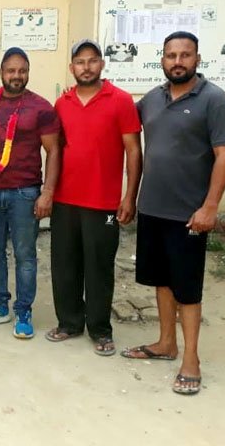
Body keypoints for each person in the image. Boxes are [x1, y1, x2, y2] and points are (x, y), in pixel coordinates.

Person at [120, 31, 225, 396]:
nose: (178, 61)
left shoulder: (215, 100)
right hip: (152, 208)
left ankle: (191, 359)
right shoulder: (152, 99)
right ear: (162, 60)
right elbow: (120, 118)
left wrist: (210, 206)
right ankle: (166, 343)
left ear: (197, 59)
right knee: (162, 280)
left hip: (189, 214)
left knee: (187, 288)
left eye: (185, 55)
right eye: (171, 55)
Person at [46, 39, 142, 356]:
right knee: (65, 265)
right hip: (65, 200)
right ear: (71, 67)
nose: (86, 67)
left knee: (99, 268)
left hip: (103, 203)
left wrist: (130, 196)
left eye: (91, 60)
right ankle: (69, 322)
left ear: (101, 63)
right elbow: (55, 150)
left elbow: (133, 151)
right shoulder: (62, 103)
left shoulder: (121, 101)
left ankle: (100, 329)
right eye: (80, 61)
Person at [0, 47, 60, 339]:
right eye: (11, 70)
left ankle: (24, 310)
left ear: (28, 72)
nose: (17, 76)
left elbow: (54, 151)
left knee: (25, 255)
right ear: (1, 72)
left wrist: (47, 192)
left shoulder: (41, 108)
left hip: (25, 193)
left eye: (22, 71)